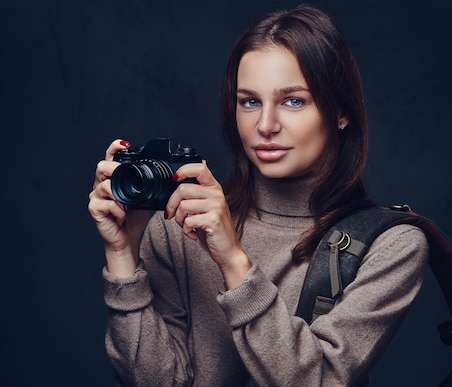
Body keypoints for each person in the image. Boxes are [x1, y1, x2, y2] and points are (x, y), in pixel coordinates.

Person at [88, 5, 428, 386]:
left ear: (341, 112)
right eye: (249, 101)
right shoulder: (178, 224)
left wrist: (234, 261)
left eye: (293, 100)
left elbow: (319, 380)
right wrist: (122, 258)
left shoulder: (390, 246)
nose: (265, 125)